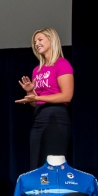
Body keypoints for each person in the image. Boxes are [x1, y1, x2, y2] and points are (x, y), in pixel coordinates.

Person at [16, 28, 74, 169]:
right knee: (37, 164)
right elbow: (36, 103)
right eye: (35, 42)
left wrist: (38, 96)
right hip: (39, 118)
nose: (36, 44)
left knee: (53, 164)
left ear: (51, 40)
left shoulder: (62, 64)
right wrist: (30, 92)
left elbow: (67, 95)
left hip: (56, 118)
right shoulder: (37, 70)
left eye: (40, 40)